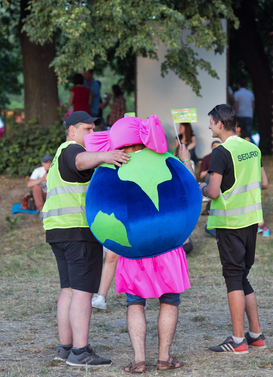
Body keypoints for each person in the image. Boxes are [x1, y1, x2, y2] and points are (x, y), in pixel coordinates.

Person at [84, 115, 189, 372]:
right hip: (167, 246)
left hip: (131, 248)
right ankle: (164, 358)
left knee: (135, 303)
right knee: (170, 300)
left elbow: (99, 203)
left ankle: (139, 360)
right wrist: (184, 158)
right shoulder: (165, 159)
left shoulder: (110, 166)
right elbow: (187, 192)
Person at [42, 111, 130, 367]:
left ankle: (65, 348)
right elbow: (80, 161)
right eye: (87, 129)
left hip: (58, 230)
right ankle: (80, 352)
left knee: (68, 290)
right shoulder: (71, 150)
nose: (92, 134)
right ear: (72, 130)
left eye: (94, 130)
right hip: (78, 232)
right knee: (82, 292)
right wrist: (107, 155)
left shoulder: (60, 153)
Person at [197, 104, 268, 354]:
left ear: (219, 123)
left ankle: (238, 341)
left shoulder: (221, 152)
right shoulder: (253, 148)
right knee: (242, 276)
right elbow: (265, 182)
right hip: (250, 223)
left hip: (229, 224)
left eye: (210, 122)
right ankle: (256, 336)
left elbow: (213, 192)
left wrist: (201, 188)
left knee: (233, 279)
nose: (208, 126)